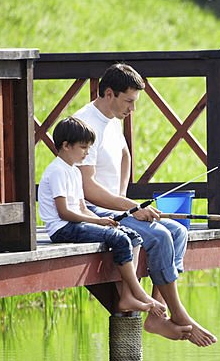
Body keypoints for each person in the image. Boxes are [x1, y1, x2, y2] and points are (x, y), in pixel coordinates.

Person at [73, 63, 217, 347]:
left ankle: (155, 314)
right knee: (160, 235)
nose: (132, 110)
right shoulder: (85, 124)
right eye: (129, 101)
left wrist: (123, 199)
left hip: (115, 206)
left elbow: (125, 154)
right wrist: (129, 207)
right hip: (93, 211)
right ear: (109, 93)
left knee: (177, 231)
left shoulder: (112, 119)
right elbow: (87, 189)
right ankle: (178, 314)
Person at [38, 117, 166, 318]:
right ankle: (136, 293)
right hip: (62, 228)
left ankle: (127, 294)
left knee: (132, 236)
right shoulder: (56, 171)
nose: (87, 152)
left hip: (77, 222)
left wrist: (107, 222)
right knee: (119, 238)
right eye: (83, 147)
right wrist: (98, 221)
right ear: (65, 146)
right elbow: (64, 212)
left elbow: (81, 207)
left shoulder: (74, 171)